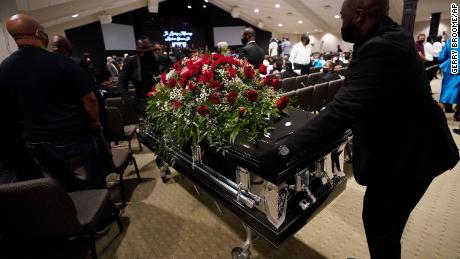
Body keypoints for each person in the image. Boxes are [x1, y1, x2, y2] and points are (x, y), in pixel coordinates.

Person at [274, 0, 459, 258]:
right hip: (407, 139)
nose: (341, 22)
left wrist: (283, 147)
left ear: (359, 15)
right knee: (381, 222)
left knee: (381, 224)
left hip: (414, 151)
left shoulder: (382, 46)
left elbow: (342, 110)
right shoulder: (389, 34)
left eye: (343, 16)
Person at [1, 14, 110, 191]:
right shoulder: (63, 62)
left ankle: (71, 217)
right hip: (73, 136)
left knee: (57, 187)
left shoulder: (4, 67)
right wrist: (95, 121)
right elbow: (89, 99)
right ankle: (102, 215)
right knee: (90, 184)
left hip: (35, 143)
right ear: (39, 33)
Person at [119, 35, 160, 116]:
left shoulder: (161, 58)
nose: (144, 53)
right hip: (142, 102)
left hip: (162, 100)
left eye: (147, 49)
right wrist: (128, 101)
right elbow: (122, 83)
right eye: (141, 50)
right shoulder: (130, 62)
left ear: (151, 48)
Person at [438, 38, 460, 118]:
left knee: (445, 95)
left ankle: (435, 119)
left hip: (452, 67)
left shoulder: (451, 41)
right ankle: (458, 114)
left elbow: (441, 57)